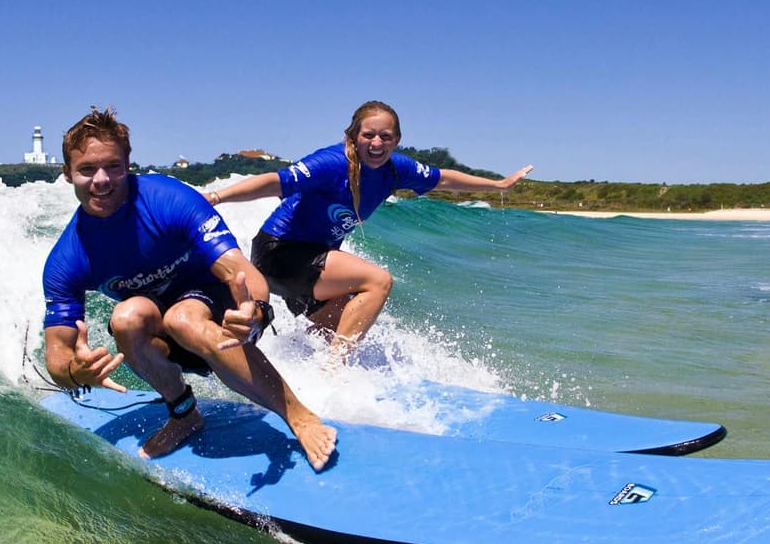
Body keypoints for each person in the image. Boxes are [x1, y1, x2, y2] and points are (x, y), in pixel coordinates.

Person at [41, 107, 337, 470]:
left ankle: (299, 417)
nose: (101, 180)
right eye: (87, 169)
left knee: (184, 316)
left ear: (128, 165)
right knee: (126, 318)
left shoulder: (169, 199)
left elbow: (240, 271)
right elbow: (57, 354)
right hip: (167, 339)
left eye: (113, 167)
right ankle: (183, 414)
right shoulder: (68, 257)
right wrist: (75, 372)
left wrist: (257, 311)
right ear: (68, 173)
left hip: (225, 315)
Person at [204, 100, 532, 364]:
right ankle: (334, 371)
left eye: (385, 137)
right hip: (280, 254)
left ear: (397, 140)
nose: (376, 143)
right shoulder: (331, 163)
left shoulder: (394, 169)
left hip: (310, 266)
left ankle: (304, 377)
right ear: (353, 136)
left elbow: (443, 178)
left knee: (340, 330)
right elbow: (276, 182)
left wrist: (498, 185)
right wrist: (216, 197)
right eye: (368, 135)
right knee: (379, 281)